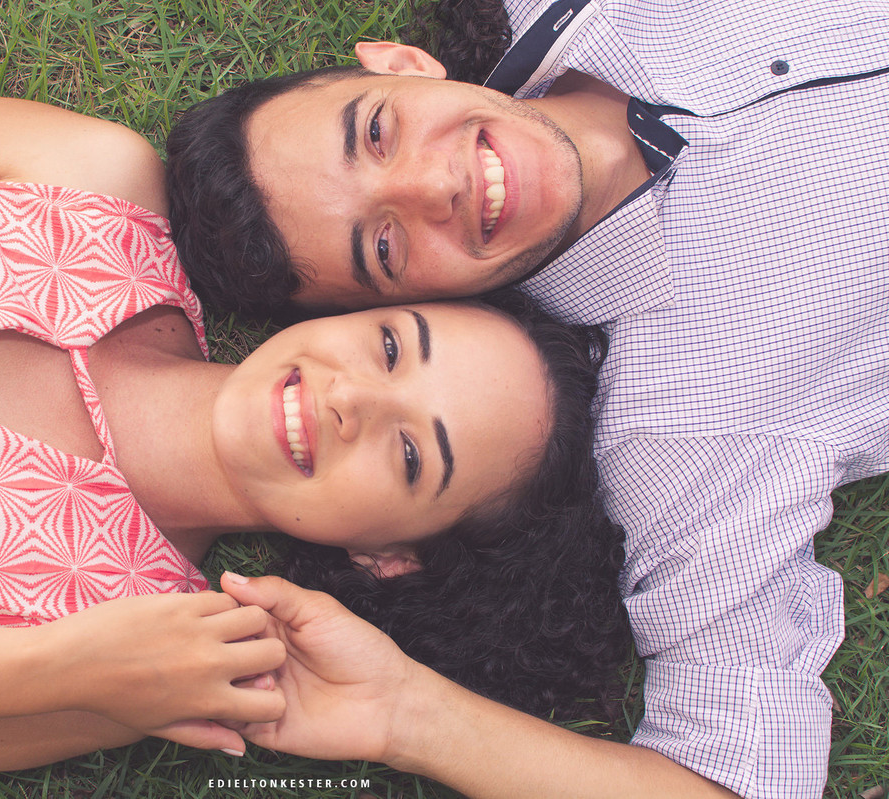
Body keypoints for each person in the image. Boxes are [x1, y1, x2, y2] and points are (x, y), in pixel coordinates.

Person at [0, 69, 629, 790]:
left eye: (415, 453)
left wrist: (56, 668)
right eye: (391, 346)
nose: (355, 400)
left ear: (389, 554)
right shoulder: (91, 189)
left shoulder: (138, 647)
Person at [164, 0, 889, 796]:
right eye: (384, 245)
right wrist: (414, 716)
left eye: (376, 131)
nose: (438, 182)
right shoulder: (677, 432)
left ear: (400, 64)